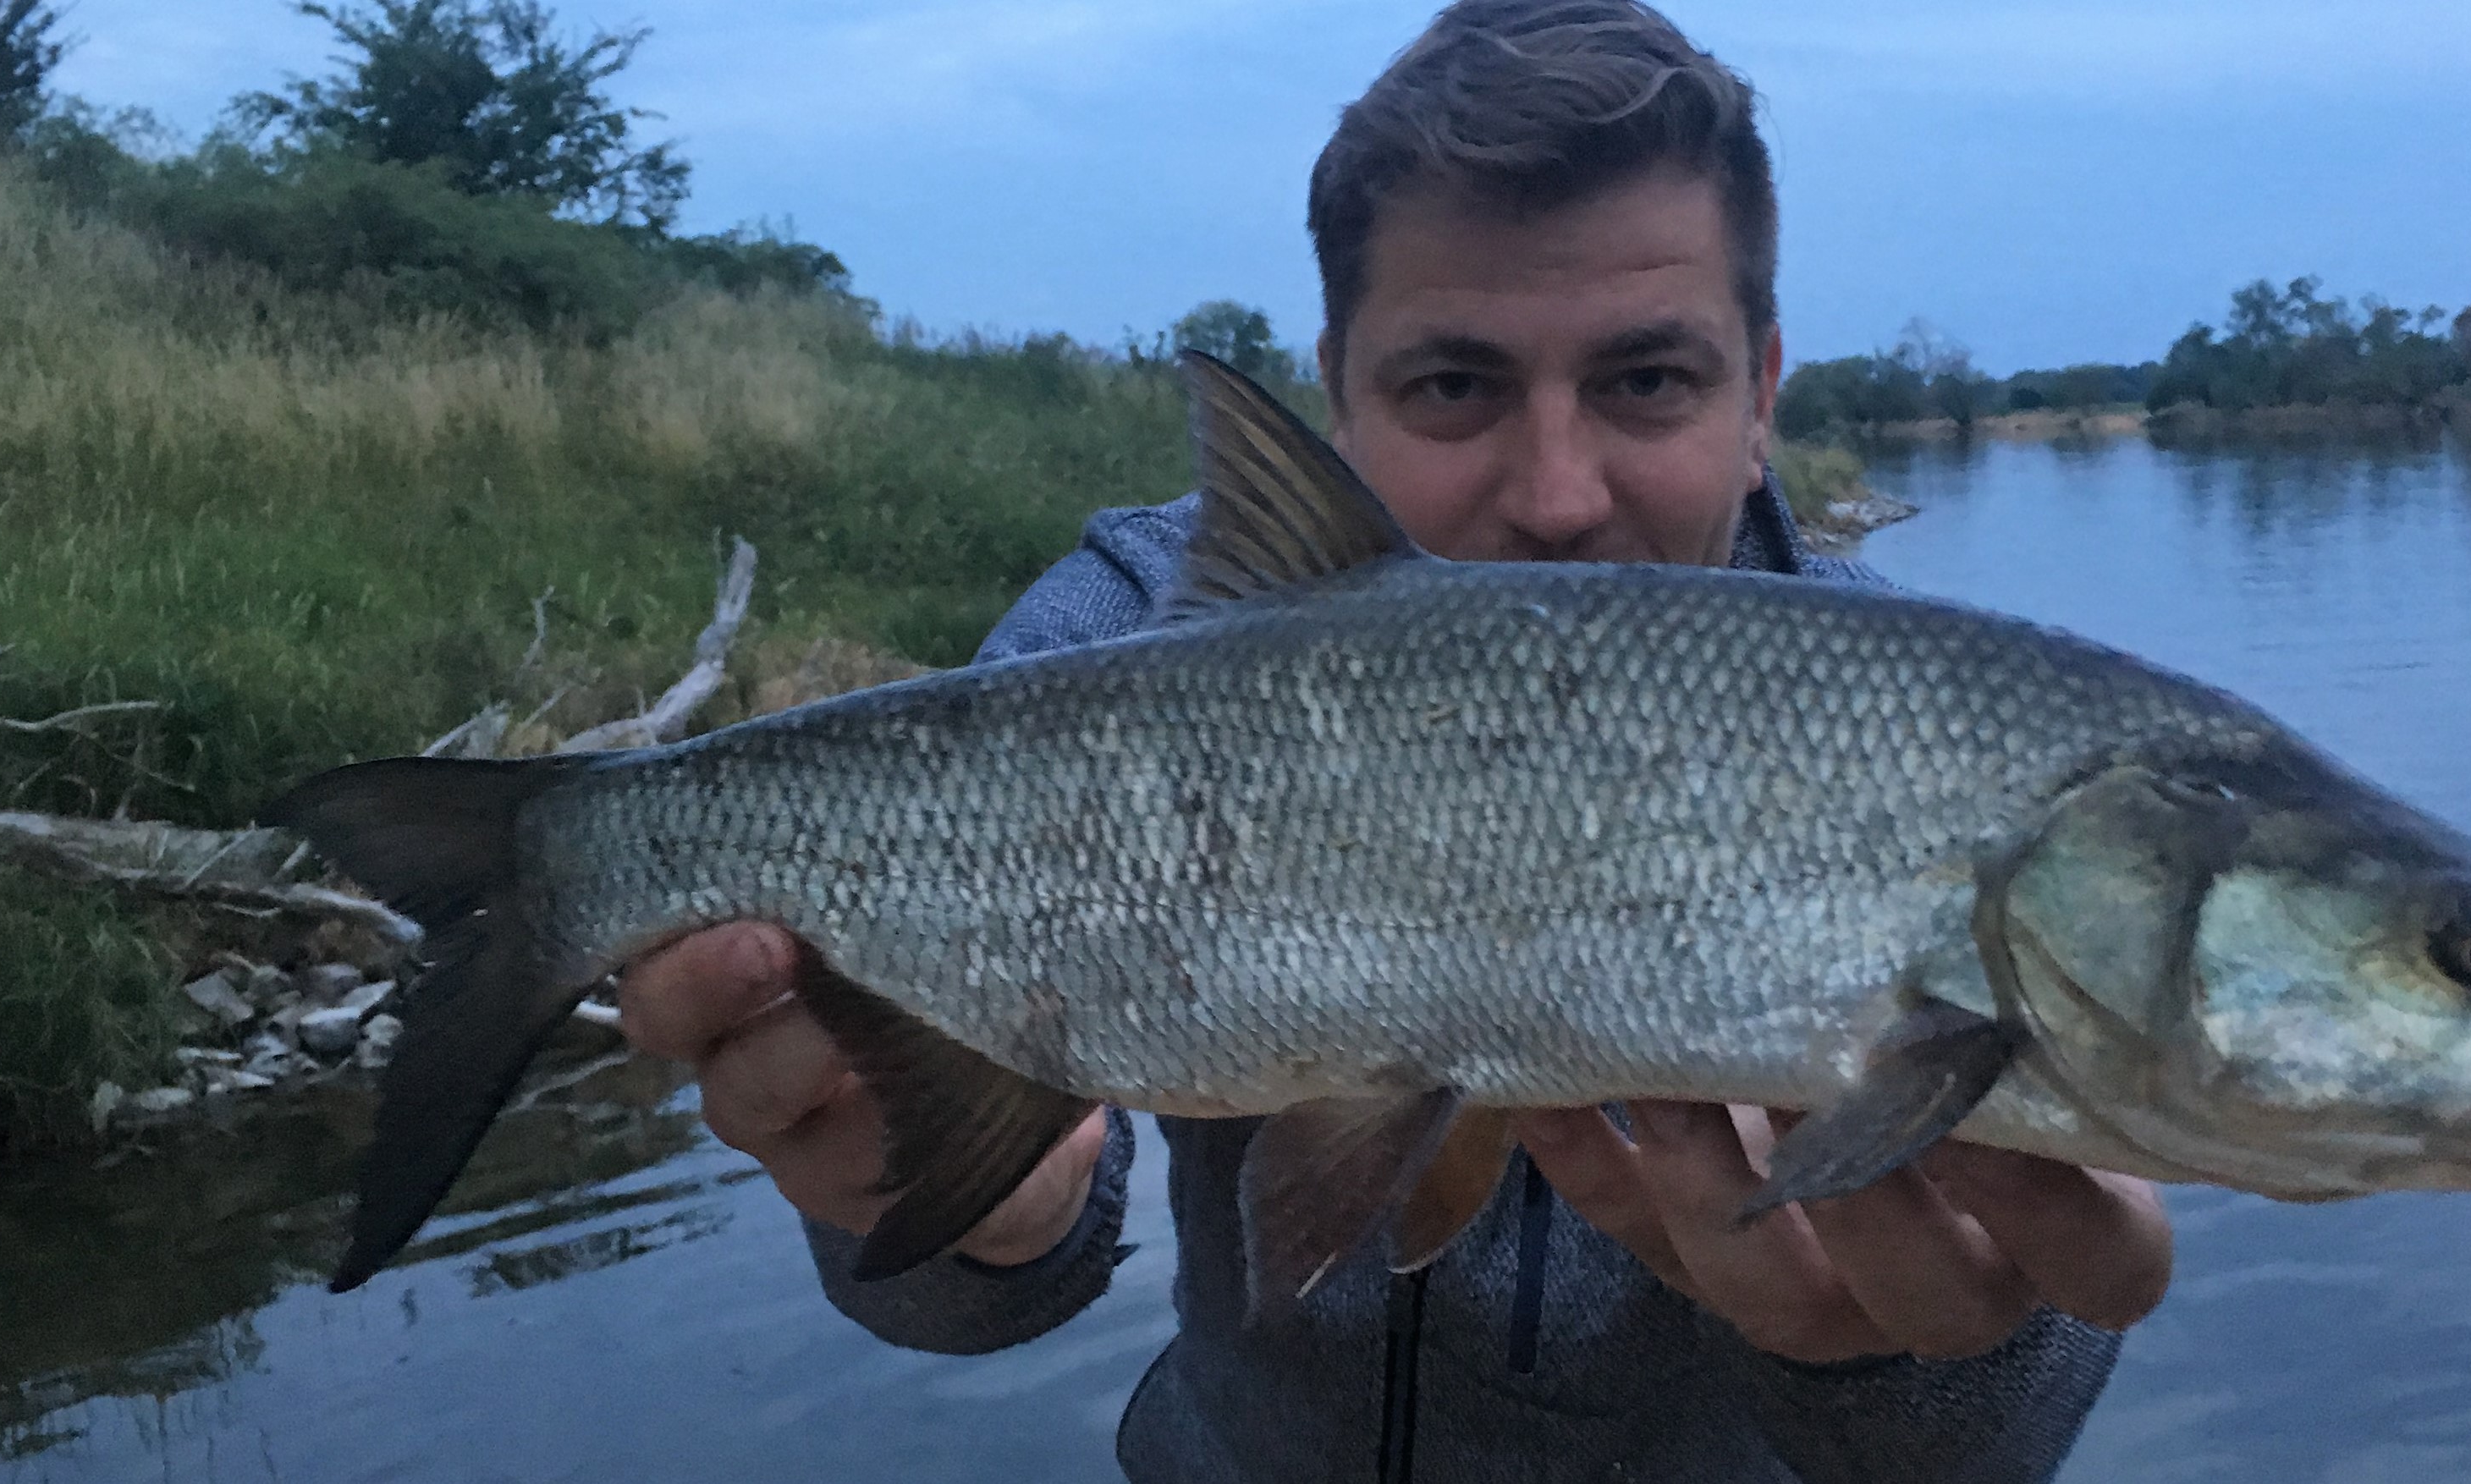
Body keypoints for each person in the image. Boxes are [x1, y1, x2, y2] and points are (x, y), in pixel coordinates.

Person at [615, 3, 2174, 1478]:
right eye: (1452, 385)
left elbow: (1982, 1444)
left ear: (1760, 392)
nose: (1560, 495)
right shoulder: (1127, 640)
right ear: (1335, 398)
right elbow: (986, 1294)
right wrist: (976, 1220)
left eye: (1647, 379)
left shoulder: (1946, 750)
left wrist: (1909, 1357)